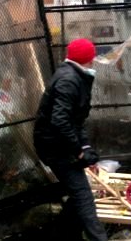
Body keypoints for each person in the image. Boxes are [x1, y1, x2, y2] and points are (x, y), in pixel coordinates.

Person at [33, 38, 108, 241]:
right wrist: (79, 151)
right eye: (92, 57)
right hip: (53, 146)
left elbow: (75, 120)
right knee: (84, 195)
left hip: (57, 143)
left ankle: (62, 233)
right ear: (88, 59)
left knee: (78, 194)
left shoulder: (75, 76)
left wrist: (86, 151)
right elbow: (60, 120)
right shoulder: (69, 80)